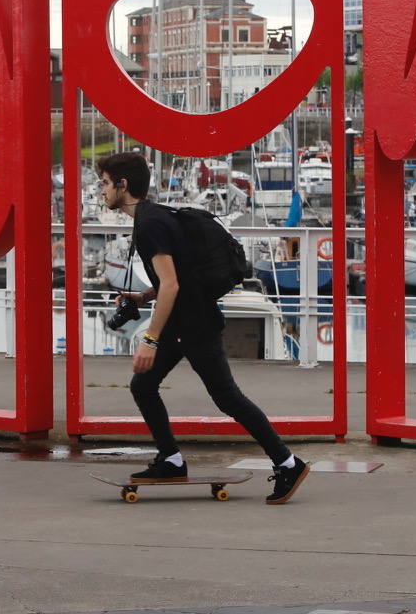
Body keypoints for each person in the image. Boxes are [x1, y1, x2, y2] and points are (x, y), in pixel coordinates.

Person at [97, 151, 310, 505]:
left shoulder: (150, 224)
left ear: (123, 185)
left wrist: (149, 339)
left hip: (193, 324)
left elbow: (173, 285)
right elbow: (175, 279)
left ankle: (288, 463)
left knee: (227, 397)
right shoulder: (153, 217)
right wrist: (144, 296)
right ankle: (171, 460)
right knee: (144, 385)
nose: (101, 190)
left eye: (105, 183)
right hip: (184, 320)